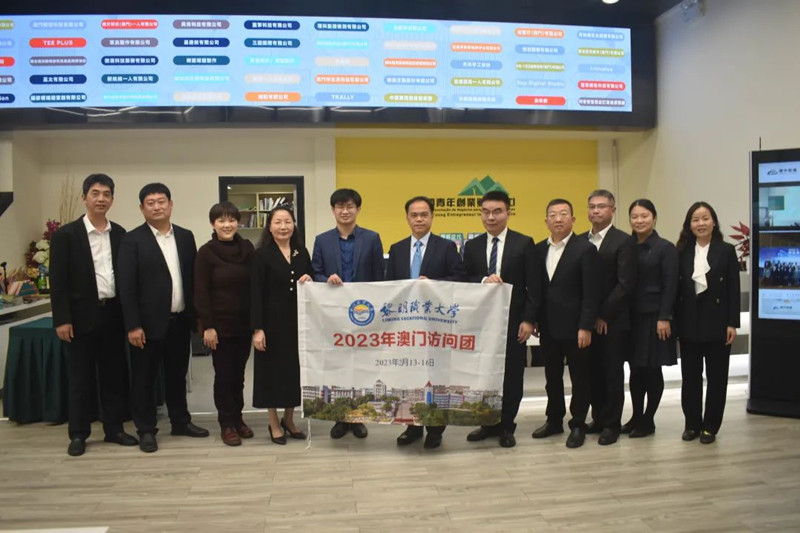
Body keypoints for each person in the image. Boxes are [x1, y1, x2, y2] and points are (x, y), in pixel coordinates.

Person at [49, 173, 138, 456]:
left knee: (114, 376)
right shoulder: (66, 235)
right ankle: (78, 433)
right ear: (84, 198)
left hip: (112, 314)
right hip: (79, 318)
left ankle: (114, 429)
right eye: (95, 194)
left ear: (112, 199)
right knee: (80, 378)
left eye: (106, 194)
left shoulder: (120, 234)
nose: (101, 199)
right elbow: (58, 281)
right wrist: (62, 319)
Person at [118, 183, 209, 453]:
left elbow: (192, 279)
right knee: (144, 379)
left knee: (177, 376)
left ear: (171, 204)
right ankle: (146, 429)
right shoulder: (132, 240)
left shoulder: (185, 236)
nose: (157, 207)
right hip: (146, 326)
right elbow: (127, 287)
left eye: (161, 201)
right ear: (142, 208)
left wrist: (197, 318)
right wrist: (133, 325)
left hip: (179, 321)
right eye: (151, 203)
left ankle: (181, 422)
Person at [385, 196, 465, 449]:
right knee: (409, 376)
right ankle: (413, 426)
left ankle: (436, 429)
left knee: (436, 378)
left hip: (435, 327)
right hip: (406, 328)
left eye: (424, 214)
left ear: (432, 216)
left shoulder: (447, 247)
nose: (419, 219)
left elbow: (458, 279)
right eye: (414, 215)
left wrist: (432, 284)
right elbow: (389, 286)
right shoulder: (397, 249)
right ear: (407, 218)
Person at [462, 191, 539, 448]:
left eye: (497, 212)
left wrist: (528, 320)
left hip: (513, 322)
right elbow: (463, 280)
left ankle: (506, 426)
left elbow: (534, 286)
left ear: (508, 213)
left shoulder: (524, 243)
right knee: (484, 374)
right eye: (485, 212)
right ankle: (488, 423)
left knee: (511, 375)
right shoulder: (472, 246)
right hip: (482, 325)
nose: (491, 217)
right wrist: (484, 280)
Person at [311, 188, 384, 440]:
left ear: (358, 209)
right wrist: (326, 279)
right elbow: (315, 272)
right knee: (338, 366)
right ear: (333, 210)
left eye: (350, 206)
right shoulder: (322, 240)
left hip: (365, 315)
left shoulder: (372, 238)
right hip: (334, 316)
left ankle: (358, 418)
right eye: (340, 206)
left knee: (362, 367)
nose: (345, 211)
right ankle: (340, 418)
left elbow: (379, 277)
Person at [531, 199, 600, 449]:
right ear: (546, 221)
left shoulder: (585, 249)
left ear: (573, 219)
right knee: (552, 376)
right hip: (548, 326)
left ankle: (578, 423)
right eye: (553, 215)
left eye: (563, 214)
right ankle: (554, 419)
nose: (558, 219)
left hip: (576, 328)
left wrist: (586, 326)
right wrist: (535, 318)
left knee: (580, 377)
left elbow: (591, 292)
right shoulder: (538, 249)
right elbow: (536, 289)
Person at [675, 202, 740, 444]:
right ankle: (692, 424)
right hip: (688, 323)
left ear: (714, 222)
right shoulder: (681, 251)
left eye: (705, 218)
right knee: (690, 378)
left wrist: (732, 323)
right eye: (695, 219)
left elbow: (733, 289)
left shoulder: (726, 250)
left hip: (718, 323)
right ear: (689, 225)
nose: (700, 224)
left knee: (717, 379)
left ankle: (710, 427)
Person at [194, 202, 255, 446]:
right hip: (219, 327)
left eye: (231, 220)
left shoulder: (247, 248)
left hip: (244, 324)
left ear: (238, 222)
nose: (227, 225)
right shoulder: (206, 252)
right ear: (213, 224)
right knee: (224, 376)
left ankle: (238, 418)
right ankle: (226, 423)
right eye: (221, 220)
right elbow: (200, 291)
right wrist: (207, 326)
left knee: (239, 376)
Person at [251, 205, 313, 445]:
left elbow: (311, 280)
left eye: (287, 221)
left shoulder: (301, 252)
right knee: (271, 374)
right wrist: (258, 329)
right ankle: (273, 423)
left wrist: (310, 278)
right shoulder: (261, 254)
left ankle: (289, 419)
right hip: (270, 325)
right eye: (277, 222)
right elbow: (255, 293)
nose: (283, 226)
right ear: (269, 227)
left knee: (294, 373)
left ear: (294, 225)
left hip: (298, 323)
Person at [581, 190, 637, 445]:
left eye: (601, 206)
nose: (596, 211)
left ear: (612, 210)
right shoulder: (581, 241)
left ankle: (612, 424)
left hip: (612, 322)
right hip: (586, 322)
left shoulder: (623, 241)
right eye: (592, 206)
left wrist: (602, 314)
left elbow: (625, 284)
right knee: (592, 372)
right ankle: (599, 418)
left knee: (612, 373)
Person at [624, 199, 678, 438]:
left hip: (655, 317)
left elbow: (670, 285)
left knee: (652, 369)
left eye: (644, 216)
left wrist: (664, 316)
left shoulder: (665, 248)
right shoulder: (626, 245)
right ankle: (636, 416)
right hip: (630, 317)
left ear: (654, 218)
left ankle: (648, 419)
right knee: (635, 369)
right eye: (634, 217)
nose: (639, 221)